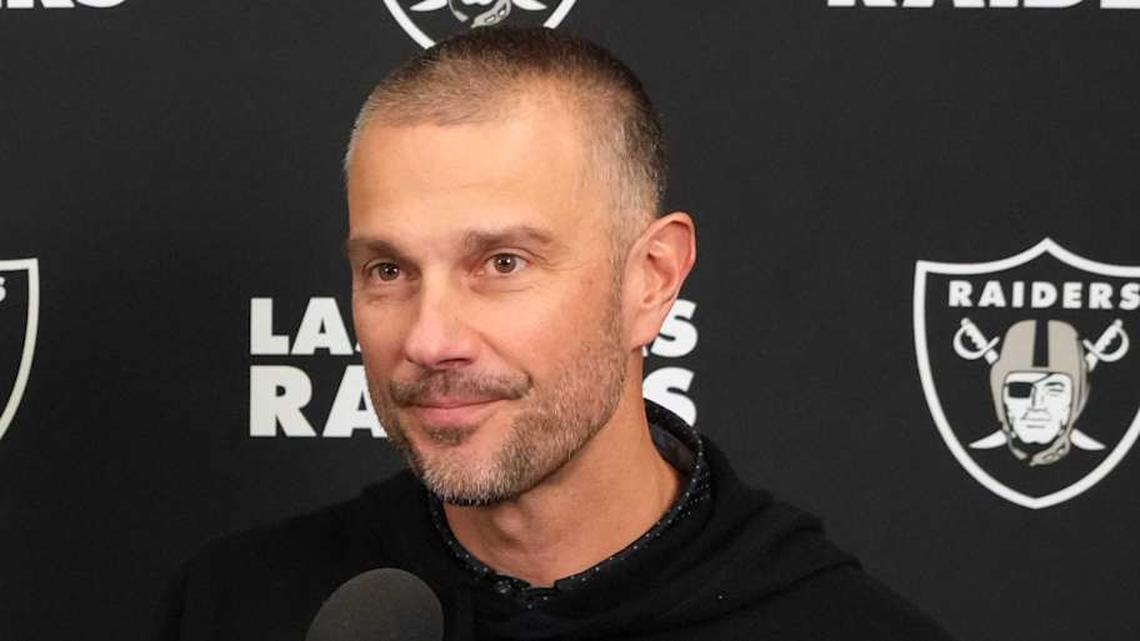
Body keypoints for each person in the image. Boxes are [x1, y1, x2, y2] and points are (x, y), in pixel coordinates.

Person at [159, 27, 956, 641]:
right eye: (389, 270)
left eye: (501, 262)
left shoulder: (842, 626)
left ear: (650, 280)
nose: (431, 340)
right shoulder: (238, 606)